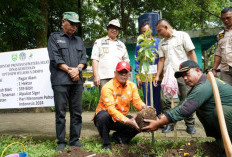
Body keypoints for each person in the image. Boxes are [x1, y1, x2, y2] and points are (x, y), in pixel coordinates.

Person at [143, 60, 232, 157]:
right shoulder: (201, 84)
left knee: (222, 112)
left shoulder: (205, 84)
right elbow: (183, 104)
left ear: (198, 70)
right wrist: (160, 118)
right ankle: (222, 144)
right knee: (203, 111)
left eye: (187, 74)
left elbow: (186, 109)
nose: (184, 78)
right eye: (182, 76)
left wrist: (158, 123)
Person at [47, 12, 87, 151]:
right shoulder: (54, 38)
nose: (74, 27)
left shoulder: (79, 40)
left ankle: (75, 140)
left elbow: (83, 59)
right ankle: (61, 141)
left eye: (76, 24)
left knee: (77, 112)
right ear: (63, 21)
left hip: (77, 81)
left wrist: (78, 70)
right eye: (72, 23)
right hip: (60, 81)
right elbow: (55, 58)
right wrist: (70, 71)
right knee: (61, 112)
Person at [154, 19, 198, 134]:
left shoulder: (182, 36)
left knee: (187, 99)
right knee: (164, 99)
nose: (159, 34)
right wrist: (157, 75)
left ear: (166, 27)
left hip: (184, 73)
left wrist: (197, 70)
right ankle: (169, 123)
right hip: (168, 75)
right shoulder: (161, 43)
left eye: (160, 31)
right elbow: (161, 60)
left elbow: (191, 53)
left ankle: (190, 125)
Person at [93, 61, 146, 150]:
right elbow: (110, 109)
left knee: (140, 121)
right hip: (107, 117)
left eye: (126, 72)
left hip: (122, 118)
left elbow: (137, 102)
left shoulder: (132, 86)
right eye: (120, 72)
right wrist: (128, 121)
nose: (123, 75)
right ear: (115, 73)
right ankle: (106, 143)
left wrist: (145, 108)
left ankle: (120, 137)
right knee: (103, 116)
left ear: (129, 74)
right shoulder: (107, 87)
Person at [91, 19, 130, 92]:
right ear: (108, 28)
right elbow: (95, 59)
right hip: (104, 78)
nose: (114, 30)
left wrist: (127, 76)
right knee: (106, 101)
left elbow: (126, 61)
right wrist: (96, 75)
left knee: (120, 101)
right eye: (112, 27)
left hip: (119, 78)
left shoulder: (121, 44)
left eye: (117, 28)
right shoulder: (99, 42)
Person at [134, 22, 162, 115]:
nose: (146, 33)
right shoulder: (139, 44)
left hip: (158, 76)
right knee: (147, 98)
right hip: (145, 76)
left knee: (158, 98)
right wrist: (137, 76)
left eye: (147, 30)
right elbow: (137, 61)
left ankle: (158, 117)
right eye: (143, 32)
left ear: (151, 30)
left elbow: (162, 59)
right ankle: (149, 118)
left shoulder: (159, 42)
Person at [212, 7, 232, 86]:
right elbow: (218, 53)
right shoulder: (221, 34)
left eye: (228, 18)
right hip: (225, 69)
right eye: (223, 19)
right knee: (227, 94)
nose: (225, 21)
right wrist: (214, 69)